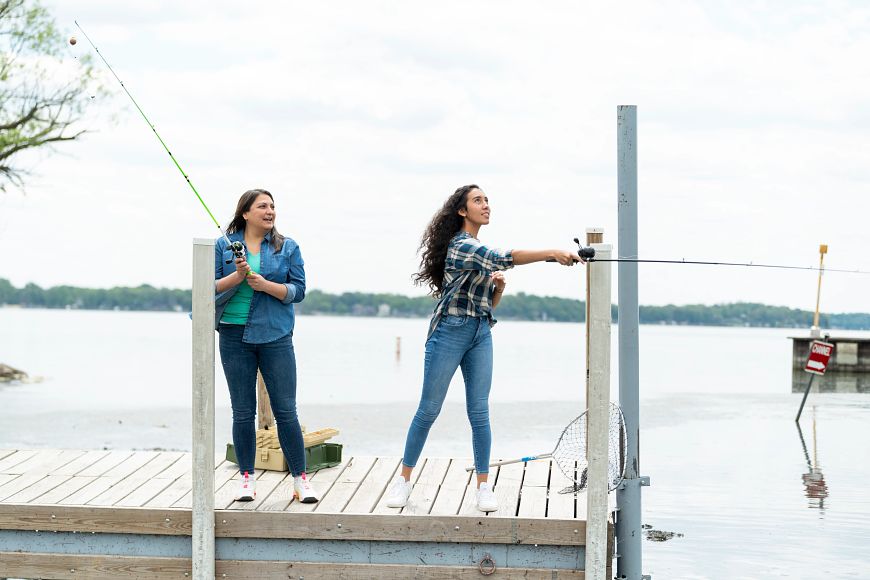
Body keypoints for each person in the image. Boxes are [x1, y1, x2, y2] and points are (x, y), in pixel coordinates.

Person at [385, 184, 581, 512]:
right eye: (478, 200)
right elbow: (503, 257)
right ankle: (403, 481)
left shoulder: (475, 247)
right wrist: (552, 253)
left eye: (487, 200)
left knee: (479, 411)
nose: (486, 205)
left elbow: (488, 305)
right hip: (449, 332)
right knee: (429, 409)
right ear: (462, 211)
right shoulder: (462, 246)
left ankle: (483, 486)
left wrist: (498, 289)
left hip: (480, 333)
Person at [214, 188, 317, 503]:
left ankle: (300, 480)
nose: (270, 211)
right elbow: (205, 287)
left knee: (286, 410)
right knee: (242, 412)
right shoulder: (223, 245)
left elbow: (298, 291)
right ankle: (247, 479)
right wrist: (238, 277)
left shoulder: (288, 247)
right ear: (246, 213)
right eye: (262, 206)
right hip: (233, 335)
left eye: (272, 206)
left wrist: (265, 285)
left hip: (275, 335)